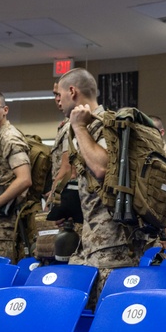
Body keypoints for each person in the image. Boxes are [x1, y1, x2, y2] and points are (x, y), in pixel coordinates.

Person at [57, 68, 141, 305]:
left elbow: (102, 169)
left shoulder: (104, 124)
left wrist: (80, 128)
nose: (58, 101)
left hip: (113, 243)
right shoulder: (83, 127)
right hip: (92, 240)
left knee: (108, 314)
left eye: (60, 94)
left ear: (72, 92)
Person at [0, 91, 31, 262]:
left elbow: (24, 179)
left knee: (1, 273)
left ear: (5, 110)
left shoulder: (9, 138)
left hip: (6, 222)